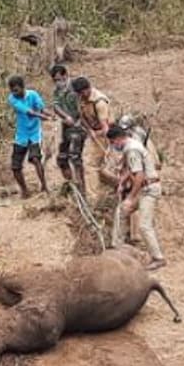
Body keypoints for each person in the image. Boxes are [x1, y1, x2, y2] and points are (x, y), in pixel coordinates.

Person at [108, 125, 165, 270]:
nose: (113, 146)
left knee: (144, 225)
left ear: (119, 139)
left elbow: (139, 176)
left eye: (113, 142)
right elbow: (132, 169)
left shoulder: (132, 149)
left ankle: (158, 258)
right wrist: (122, 181)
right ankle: (117, 248)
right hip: (144, 188)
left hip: (149, 190)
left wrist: (131, 198)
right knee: (121, 212)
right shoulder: (131, 145)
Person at [7, 75, 51, 198]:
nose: (14, 93)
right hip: (21, 135)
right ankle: (25, 191)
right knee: (15, 167)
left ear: (22, 87)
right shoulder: (12, 99)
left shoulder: (33, 95)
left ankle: (44, 186)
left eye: (16, 90)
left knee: (36, 159)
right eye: (12, 91)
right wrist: (43, 117)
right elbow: (29, 112)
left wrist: (50, 114)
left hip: (34, 133)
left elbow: (41, 108)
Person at [72, 76, 112, 205]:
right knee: (92, 165)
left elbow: (106, 128)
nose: (82, 95)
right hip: (93, 132)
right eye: (79, 93)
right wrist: (89, 130)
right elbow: (82, 117)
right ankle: (113, 184)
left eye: (83, 92)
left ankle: (93, 201)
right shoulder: (80, 99)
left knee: (91, 166)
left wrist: (96, 133)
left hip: (106, 134)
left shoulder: (99, 102)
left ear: (88, 88)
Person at [49, 64, 86, 196]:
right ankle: (72, 185)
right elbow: (56, 105)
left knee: (75, 157)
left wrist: (77, 120)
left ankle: (82, 190)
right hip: (67, 126)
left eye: (59, 79)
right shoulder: (57, 91)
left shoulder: (76, 87)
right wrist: (65, 116)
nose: (57, 82)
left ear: (65, 75)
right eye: (55, 80)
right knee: (62, 158)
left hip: (79, 126)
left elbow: (84, 106)